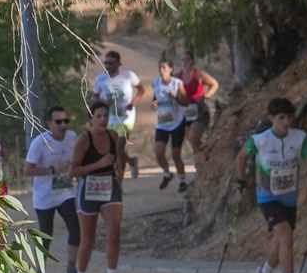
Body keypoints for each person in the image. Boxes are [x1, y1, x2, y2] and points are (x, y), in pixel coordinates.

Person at [238, 97, 307, 273]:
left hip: (289, 197)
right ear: (272, 118)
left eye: (289, 117)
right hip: (267, 196)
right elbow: (241, 157)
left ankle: (265, 272)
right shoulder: (260, 140)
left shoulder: (300, 138)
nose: (286, 122)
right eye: (281, 118)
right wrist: (240, 183)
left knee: (280, 241)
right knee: (286, 237)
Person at [24, 106, 81, 273]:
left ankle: (71, 268)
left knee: (76, 229)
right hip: (44, 196)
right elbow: (27, 170)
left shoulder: (72, 137)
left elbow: (76, 159)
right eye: (58, 122)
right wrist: (53, 170)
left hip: (65, 192)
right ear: (49, 123)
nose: (63, 125)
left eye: (66, 121)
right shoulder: (39, 143)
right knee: (46, 236)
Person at [72, 100, 125, 273]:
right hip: (88, 188)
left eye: (105, 116)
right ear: (91, 119)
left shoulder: (113, 136)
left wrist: (119, 168)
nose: (103, 120)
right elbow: (72, 171)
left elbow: (118, 158)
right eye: (99, 116)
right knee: (88, 239)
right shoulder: (84, 140)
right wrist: (99, 164)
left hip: (109, 186)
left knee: (114, 233)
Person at [91, 50, 141, 179]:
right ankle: (131, 162)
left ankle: (119, 182)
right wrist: (104, 102)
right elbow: (94, 97)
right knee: (113, 149)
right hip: (111, 118)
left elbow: (141, 89)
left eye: (111, 63)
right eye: (106, 63)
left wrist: (133, 103)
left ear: (119, 64)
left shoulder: (128, 76)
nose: (108, 66)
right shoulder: (101, 79)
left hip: (126, 117)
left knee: (118, 147)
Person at [151, 57, 193, 193]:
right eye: (160, 68)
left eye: (164, 67)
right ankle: (167, 173)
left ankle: (182, 180)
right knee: (158, 152)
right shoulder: (156, 83)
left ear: (171, 69)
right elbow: (155, 99)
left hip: (177, 123)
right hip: (162, 123)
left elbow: (185, 102)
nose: (161, 70)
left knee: (176, 155)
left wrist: (174, 98)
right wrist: (154, 104)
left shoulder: (177, 84)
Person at [175, 53, 221, 155]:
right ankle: (203, 157)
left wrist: (205, 95)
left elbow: (215, 84)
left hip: (199, 109)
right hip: (186, 111)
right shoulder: (178, 76)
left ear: (192, 61)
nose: (184, 63)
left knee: (193, 137)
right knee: (191, 140)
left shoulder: (199, 74)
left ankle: (208, 154)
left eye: (187, 60)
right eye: (182, 60)